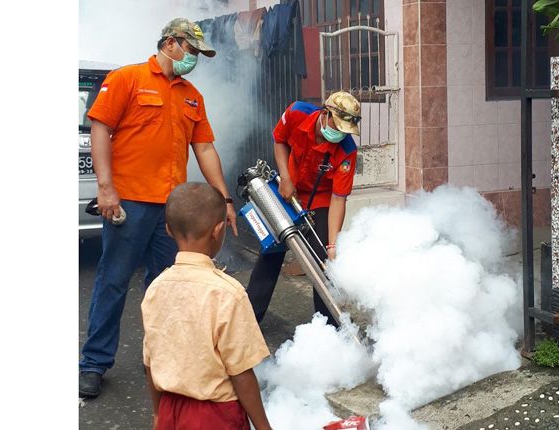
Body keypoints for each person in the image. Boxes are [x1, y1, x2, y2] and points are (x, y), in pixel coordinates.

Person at [79, 18, 239, 398]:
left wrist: (224, 198)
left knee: (168, 286)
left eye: (199, 55)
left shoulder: (192, 96)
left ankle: (162, 356)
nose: (194, 59)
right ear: (170, 43)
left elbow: (204, 149)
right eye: (192, 51)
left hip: (173, 208)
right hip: (130, 202)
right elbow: (100, 128)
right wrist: (106, 188)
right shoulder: (127, 79)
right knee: (113, 281)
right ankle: (94, 364)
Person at [142, 182, 272, 430]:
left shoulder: (156, 289)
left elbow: (151, 362)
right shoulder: (228, 294)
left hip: (170, 408)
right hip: (216, 415)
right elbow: (241, 373)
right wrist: (264, 427)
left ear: (168, 230)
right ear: (218, 230)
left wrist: (158, 414)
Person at [246, 91, 361, 325]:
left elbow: (338, 199)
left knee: (322, 263)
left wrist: (332, 245)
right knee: (270, 253)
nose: (339, 134)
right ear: (325, 113)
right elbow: (279, 140)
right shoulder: (297, 112)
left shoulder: (347, 150)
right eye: (337, 126)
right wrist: (286, 178)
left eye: (345, 130)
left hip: (320, 199)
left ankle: (326, 327)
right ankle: (249, 321)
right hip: (288, 192)